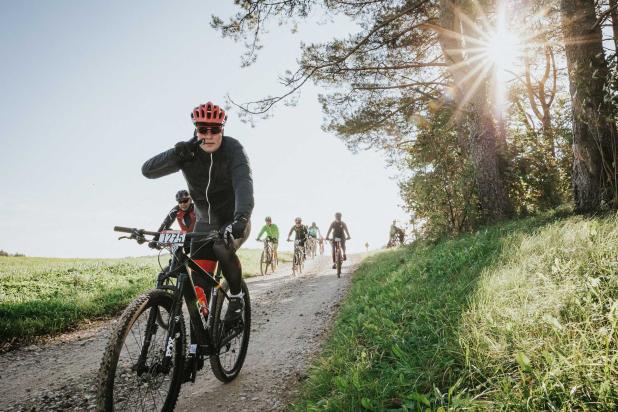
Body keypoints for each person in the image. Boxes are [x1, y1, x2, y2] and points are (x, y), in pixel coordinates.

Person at [142, 101, 254, 323]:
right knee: (199, 289)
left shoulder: (233, 149)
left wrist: (241, 217)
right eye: (204, 129)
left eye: (215, 130)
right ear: (196, 130)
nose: (210, 135)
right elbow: (148, 171)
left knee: (222, 247)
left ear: (222, 130)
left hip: (234, 219)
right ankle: (199, 338)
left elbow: (244, 184)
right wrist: (176, 153)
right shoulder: (188, 153)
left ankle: (236, 297)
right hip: (205, 222)